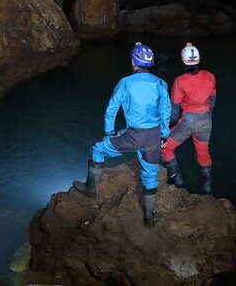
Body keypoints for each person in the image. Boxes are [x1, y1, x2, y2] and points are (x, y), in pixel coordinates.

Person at [73, 42, 172, 226]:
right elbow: (166, 111)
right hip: (153, 137)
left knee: (97, 148)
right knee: (150, 174)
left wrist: (109, 132)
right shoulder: (160, 83)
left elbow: (111, 109)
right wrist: (164, 135)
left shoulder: (125, 83)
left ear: (134, 61)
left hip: (133, 136)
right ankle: (149, 218)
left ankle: (90, 189)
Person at [161, 42, 216, 194]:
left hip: (188, 121)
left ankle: (176, 179)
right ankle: (207, 186)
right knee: (203, 151)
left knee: (165, 148)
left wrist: (169, 128)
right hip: (206, 121)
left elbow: (174, 108)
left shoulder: (180, 81)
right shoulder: (210, 76)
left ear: (183, 60)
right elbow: (212, 100)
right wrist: (206, 115)